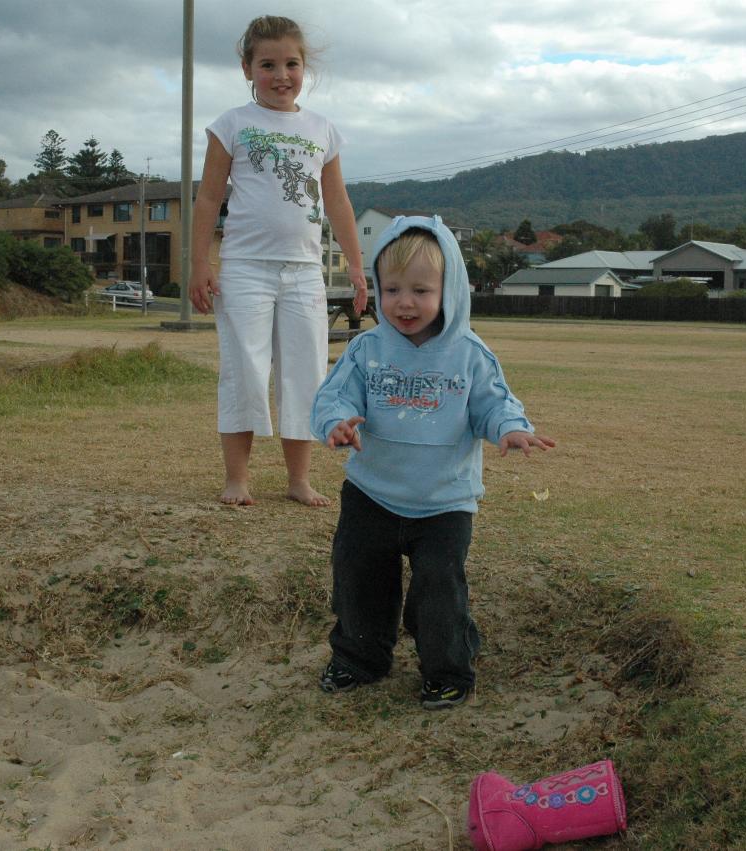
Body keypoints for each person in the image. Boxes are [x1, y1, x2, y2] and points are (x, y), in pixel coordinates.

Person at [311, 215, 555, 709]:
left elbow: (493, 404)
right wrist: (336, 423)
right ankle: (360, 658)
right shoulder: (367, 348)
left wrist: (510, 429)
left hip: (445, 503)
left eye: (421, 290)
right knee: (359, 583)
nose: (405, 302)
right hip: (371, 495)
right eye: (393, 288)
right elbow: (333, 398)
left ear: (452, 290)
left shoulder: (468, 353)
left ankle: (448, 670)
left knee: (439, 592)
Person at [189, 15, 368, 507]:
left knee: (304, 372)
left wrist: (355, 265)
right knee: (244, 370)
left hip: (305, 271)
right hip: (244, 267)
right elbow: (207, 199)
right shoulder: (231, 125)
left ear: (304, 67)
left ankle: (298, 479)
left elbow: (338, 204)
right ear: (247, 68)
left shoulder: (322, 129)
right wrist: (201, 263)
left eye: (291, 63)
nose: (281, 74)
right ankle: (237, 479)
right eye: (268, 64)